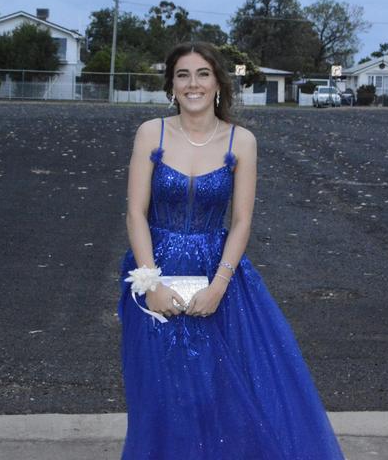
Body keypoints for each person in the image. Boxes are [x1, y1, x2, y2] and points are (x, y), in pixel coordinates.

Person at [118, 41, 346, 460]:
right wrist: (150, 282)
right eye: (183, 75)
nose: (193, 84)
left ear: (218, 83)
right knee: (163, 389)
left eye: (202, 74)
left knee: (222, 387)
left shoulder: (241, 141)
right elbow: (135, 213)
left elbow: (241, 220)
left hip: (218, 272)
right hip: (154, 270)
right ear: (171, 84)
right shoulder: (152, 133)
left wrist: (220, 286)